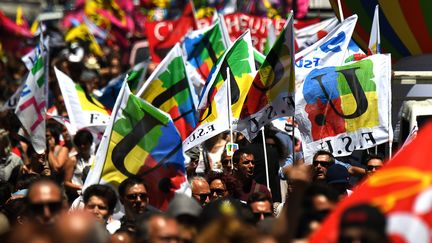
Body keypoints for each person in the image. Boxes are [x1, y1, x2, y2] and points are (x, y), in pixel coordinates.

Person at [64, 129, 94, 203]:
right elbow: (66, 182)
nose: (82, 146)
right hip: (76, 197)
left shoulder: (95, 159)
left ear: (90, 143)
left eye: (85, 143)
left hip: (92, 196)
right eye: (80, 144)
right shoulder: (73, 160)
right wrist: (82, 188)